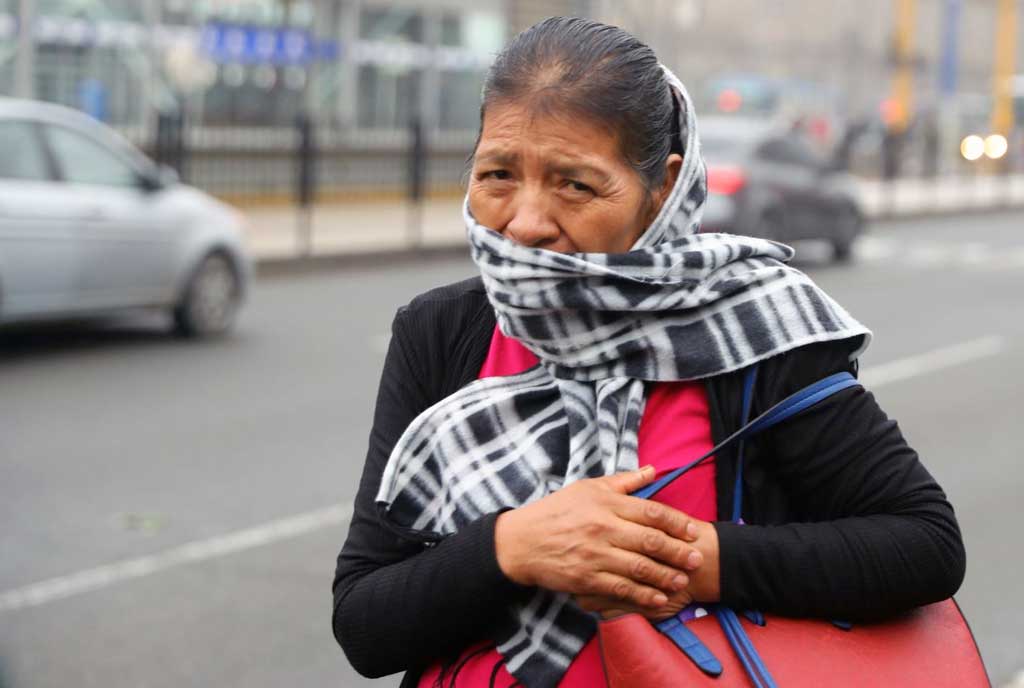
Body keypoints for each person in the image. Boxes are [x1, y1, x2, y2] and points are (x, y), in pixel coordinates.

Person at [332, 17, 965, 688]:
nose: (524, 222)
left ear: (661, 188)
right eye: (497, 174)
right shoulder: (442, 330)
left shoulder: (750, 329)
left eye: (574, 184)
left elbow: (923, 544)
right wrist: (515, 547)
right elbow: (367, 627)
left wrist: (683, 559)